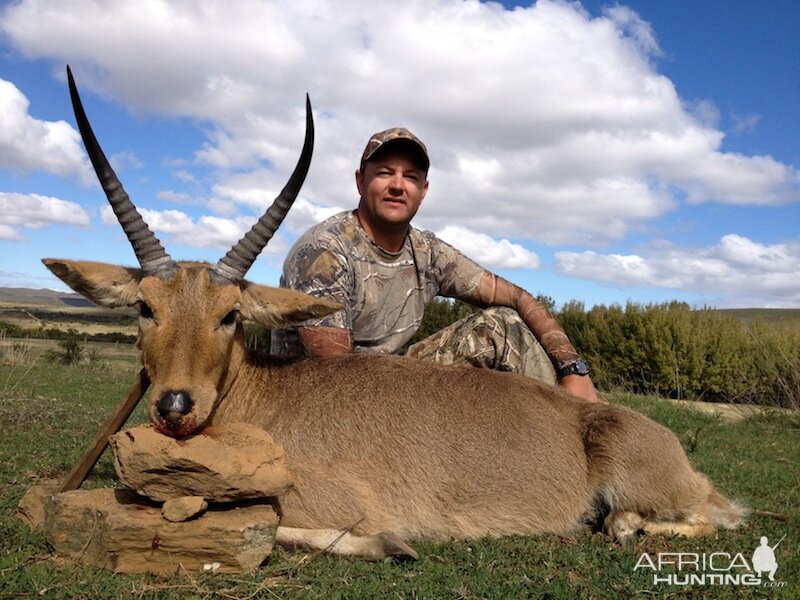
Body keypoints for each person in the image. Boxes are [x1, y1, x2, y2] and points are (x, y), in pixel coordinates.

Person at [271, 127, 601, 402]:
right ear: (360, 181)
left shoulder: (427, 252)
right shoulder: (324, 252)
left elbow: (517, 298)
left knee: (501, 327)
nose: (398, 185)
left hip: (386, 386)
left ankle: (590, 426)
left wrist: (573, 370)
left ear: (423, 190)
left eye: (410, 177)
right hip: (315, 405)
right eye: (384, 173)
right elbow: (337, 381)